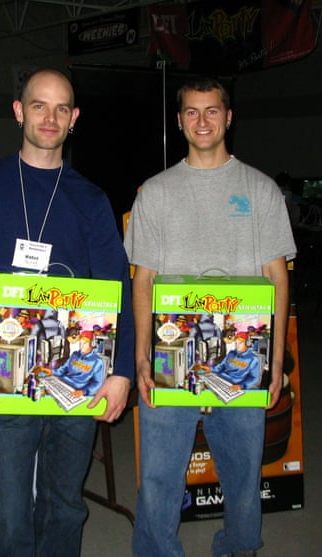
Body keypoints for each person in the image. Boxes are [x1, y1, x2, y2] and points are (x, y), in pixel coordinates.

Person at [0, 68, 134, 557]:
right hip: (6, 374)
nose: (49, 117)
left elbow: (118, 289)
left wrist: (121, 371)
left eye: (61, 108)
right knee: (8, 515)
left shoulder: (91, 199)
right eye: (38, 105)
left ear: (74, 118)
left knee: (64, 505)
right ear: (18, 111)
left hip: (79, 375)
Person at [124, 76, 296, 557]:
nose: (203, 121)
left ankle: (239, 547)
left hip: (243, 352)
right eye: (193, 112)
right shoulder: (155, 193)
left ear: (229, 117)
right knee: (158, 473)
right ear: (179, 121)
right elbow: (144, 279)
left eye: (212, 110)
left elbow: (277, 277)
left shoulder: (260, 190)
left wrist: (275, 359)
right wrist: (141, 355)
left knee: (242, 471)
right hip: (170, 352)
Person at [39, 330, 105, 396]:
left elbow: (97, 383)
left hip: (77, 389)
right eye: (80, 343)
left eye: (85, 343)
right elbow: (63, 369)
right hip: (63, 383)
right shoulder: (75, 354)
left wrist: (83, 391)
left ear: (92, 344)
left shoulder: (97, 361)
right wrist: (51, 372)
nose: (81, 346)